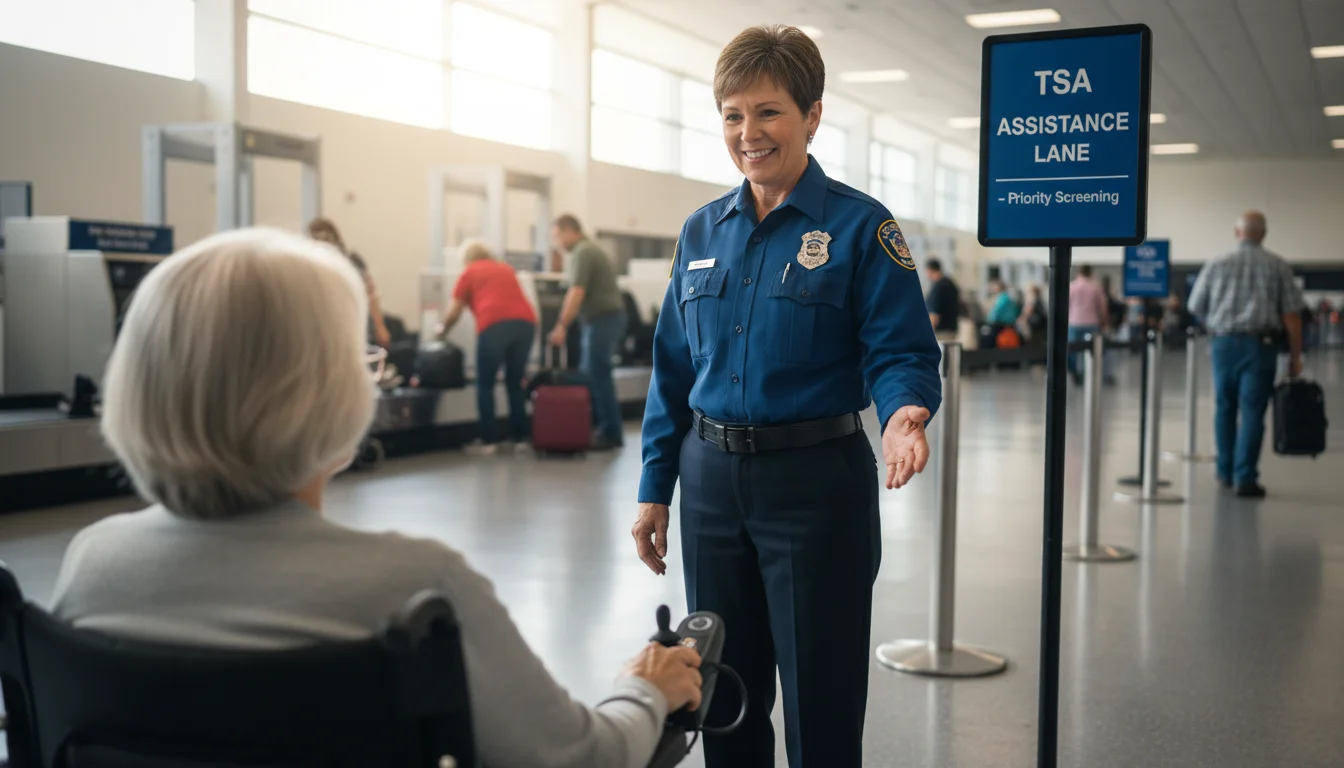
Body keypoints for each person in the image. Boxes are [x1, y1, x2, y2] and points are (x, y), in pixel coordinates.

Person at [49, 228, 704, 768]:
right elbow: (581, 760)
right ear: (327, 392)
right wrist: (645, 691)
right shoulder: (415, 593)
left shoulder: (91, 564)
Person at [633, 25, 942, 768]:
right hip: (710, 485)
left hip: (815, 485)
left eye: (768, 112)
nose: (749, 133)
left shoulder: (862, 227)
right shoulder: (701, 230)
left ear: (811, 114)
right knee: (723, 694)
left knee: (820, 696)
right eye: (733, 115)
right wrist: (655, 489)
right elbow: (671, 371)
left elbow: (901, 348)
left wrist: (904, 413)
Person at [1187, 211, 1305, 498]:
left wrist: (1220, 318)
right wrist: (1295, 356)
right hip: (1260, 345)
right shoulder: (1278, 265)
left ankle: (1224, 472)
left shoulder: (1216, 263)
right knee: (1253, 411)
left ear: (1236, 232)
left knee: (1224, 407)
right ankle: (1245, 478)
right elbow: (1292, 316)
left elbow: (1195, 305)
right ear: (1263, 234)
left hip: (1223, 343)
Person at [440, 239, 538, 455]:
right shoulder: (505, 269)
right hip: (526, 324)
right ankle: (521, 439)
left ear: (467, 259)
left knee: (485, 384)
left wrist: (441, 332)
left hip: (494, 326)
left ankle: (489, 440)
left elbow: (454, 311)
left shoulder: (469, 272)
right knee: (515, 382)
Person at [547, 215, 627, 450]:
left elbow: (576, 292)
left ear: (570, 230)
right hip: (601, 319)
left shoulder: (583, 251)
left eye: (557, 236)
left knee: (597, 375)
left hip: (603, 319)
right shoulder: (587, 250)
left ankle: (610, 433)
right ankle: (603, 429)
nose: (557, 243)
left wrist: (561, 325)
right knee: (595, 374)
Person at [307, 217, 392, 349]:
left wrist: (380, 327)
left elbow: (371, 293)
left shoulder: (352, 262)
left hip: (354, 331)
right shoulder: (309, 270)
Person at [1067, 265, 1111, 385]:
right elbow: (1103, 307)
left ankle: (1075, 373)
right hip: (1091, 322)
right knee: (1092, 351)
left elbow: (1066, 305)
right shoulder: (1095, 287)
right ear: (1090, 272)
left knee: (1073, 351)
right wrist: (1105, 323)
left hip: (1074, 322)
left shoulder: (1072, 286)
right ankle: (1090, 373)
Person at [924, 257, 960, 342]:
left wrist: (927, 335)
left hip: (941, 333)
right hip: (951, 330)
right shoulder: (950, 283)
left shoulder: (938, 288)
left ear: (930, 270)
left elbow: (934, 315)